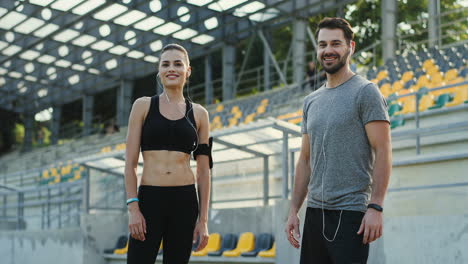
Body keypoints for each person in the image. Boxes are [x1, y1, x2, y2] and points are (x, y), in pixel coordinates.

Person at [285, 17, 392, 263]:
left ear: (350, 47)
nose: (328, 50)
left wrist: (375, 206)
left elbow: (383, 151)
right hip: (314, 213)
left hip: (351, 212)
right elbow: (305, 160)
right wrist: (293, 210)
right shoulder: (310, 101)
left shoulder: (366, 92)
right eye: (322, 45)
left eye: (336, 43)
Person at [124, 43, 212, 264]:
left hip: (184, 201)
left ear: (188, 71)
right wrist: (133, 208)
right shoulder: (142, 106)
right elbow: (130, 164)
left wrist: (203, 220)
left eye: (177, 64)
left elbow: (204, 171)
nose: (171, 68)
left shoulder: (200, 114)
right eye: (165, 64)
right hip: (149, 200)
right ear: (159, 72)